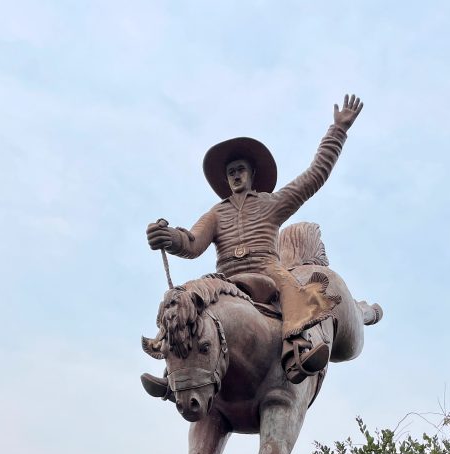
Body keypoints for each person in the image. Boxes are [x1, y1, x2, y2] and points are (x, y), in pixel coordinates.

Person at [146, 93, 363, 383]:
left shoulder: (270, 203)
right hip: (226, 280)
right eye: (231, 172)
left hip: (267, 271)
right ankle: (174, 370)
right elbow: (192, 243)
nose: (236, 176)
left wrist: (338, 131)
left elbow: (313, 177)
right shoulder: (216, 213)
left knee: (296, 292)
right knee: (184, 298)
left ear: (251, 174)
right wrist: (168, 237)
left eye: (240, 170)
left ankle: (299, 352)